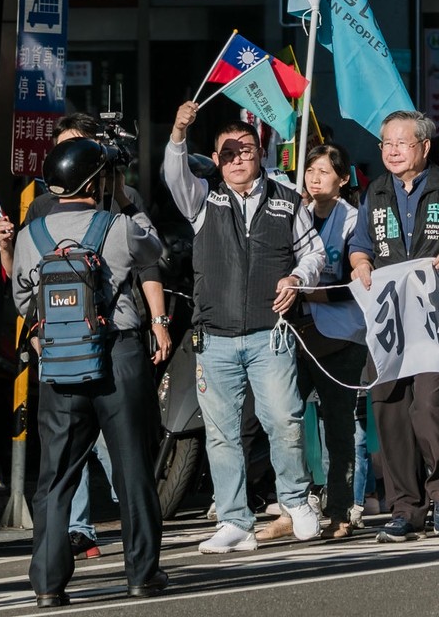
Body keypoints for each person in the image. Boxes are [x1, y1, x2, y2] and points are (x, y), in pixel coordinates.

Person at [163, 102, 324, 553]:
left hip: (269, 333)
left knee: (284, 420)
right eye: (228, 152)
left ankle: (296, 500)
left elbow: (314, 255)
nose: (237, 158)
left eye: (246, 150)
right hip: (213, 337)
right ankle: (235, 520)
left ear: (260, 154)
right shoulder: (202, 201)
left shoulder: (288, 199)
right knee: (221, 432)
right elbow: (174, 173)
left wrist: (297, 278)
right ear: (215, 161)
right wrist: (179, 130)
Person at [14, 139, 169, 604]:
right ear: (97, 181)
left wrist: (44, 340)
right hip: (118, 355)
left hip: (60, 363)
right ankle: (141, 574)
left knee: (55, 476)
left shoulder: (31, 235)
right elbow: (155, 251)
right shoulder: (119, 226)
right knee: (131, 468)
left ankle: (47, 584)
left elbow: (24, 301)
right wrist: (122, 196)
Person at [349, 109, 439, 541]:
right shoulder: (375, 192)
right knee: (389, 409)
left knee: (431, 405)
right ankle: (406, 508)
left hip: (437, 320)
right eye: (385, 144)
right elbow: (360, 247)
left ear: (424, 147)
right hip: (389, 321)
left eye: (401, 143)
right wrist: (361, 266)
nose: (392, 151)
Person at [290, 143, 369, 540]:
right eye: (310, 170)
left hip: (341, 335)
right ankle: (294, 506)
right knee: (284, 421)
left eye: (324, 171)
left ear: (342, 178)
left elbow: (357, 283)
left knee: (339, 429)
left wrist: (311, 293)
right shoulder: (294, 214)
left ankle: (340, 509)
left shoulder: (355, 219)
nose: (314, 177)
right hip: (296, 334)